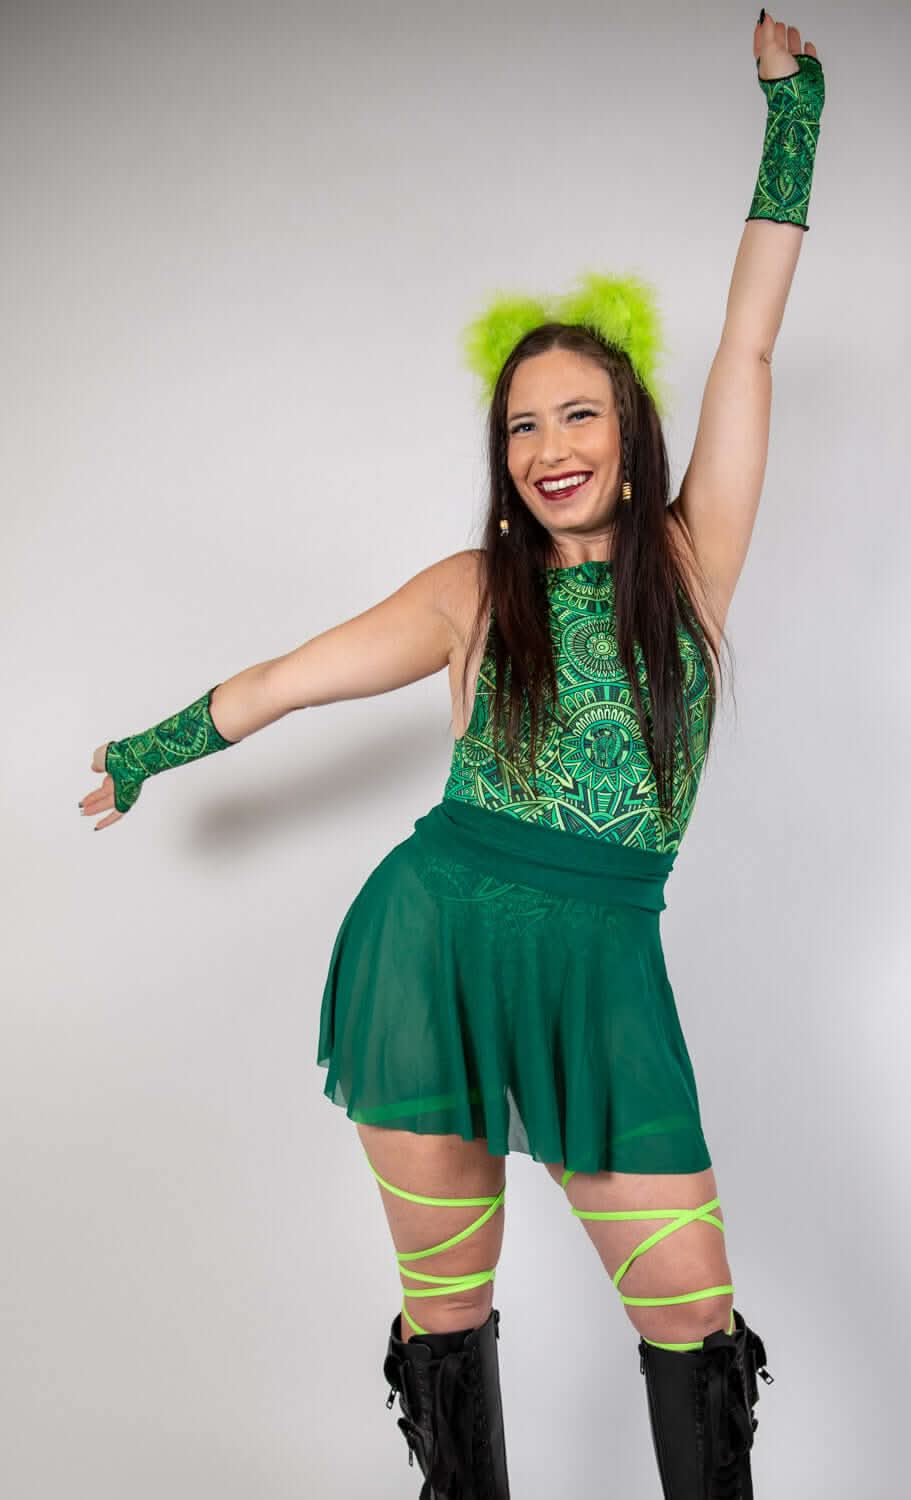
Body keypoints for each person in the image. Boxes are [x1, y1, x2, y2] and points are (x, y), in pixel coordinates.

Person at [79, 13, 825, 1498]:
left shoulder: (692, 565)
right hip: (431, 946)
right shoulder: (470, 591)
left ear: (630, 433)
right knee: (450, 1314)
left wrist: (795, 116)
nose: (550, 445)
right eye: (523, 425)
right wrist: (148, 749)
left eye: (581, 415)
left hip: (603, 970)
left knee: (688, 1312)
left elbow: (748, 336)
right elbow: (290, 680)